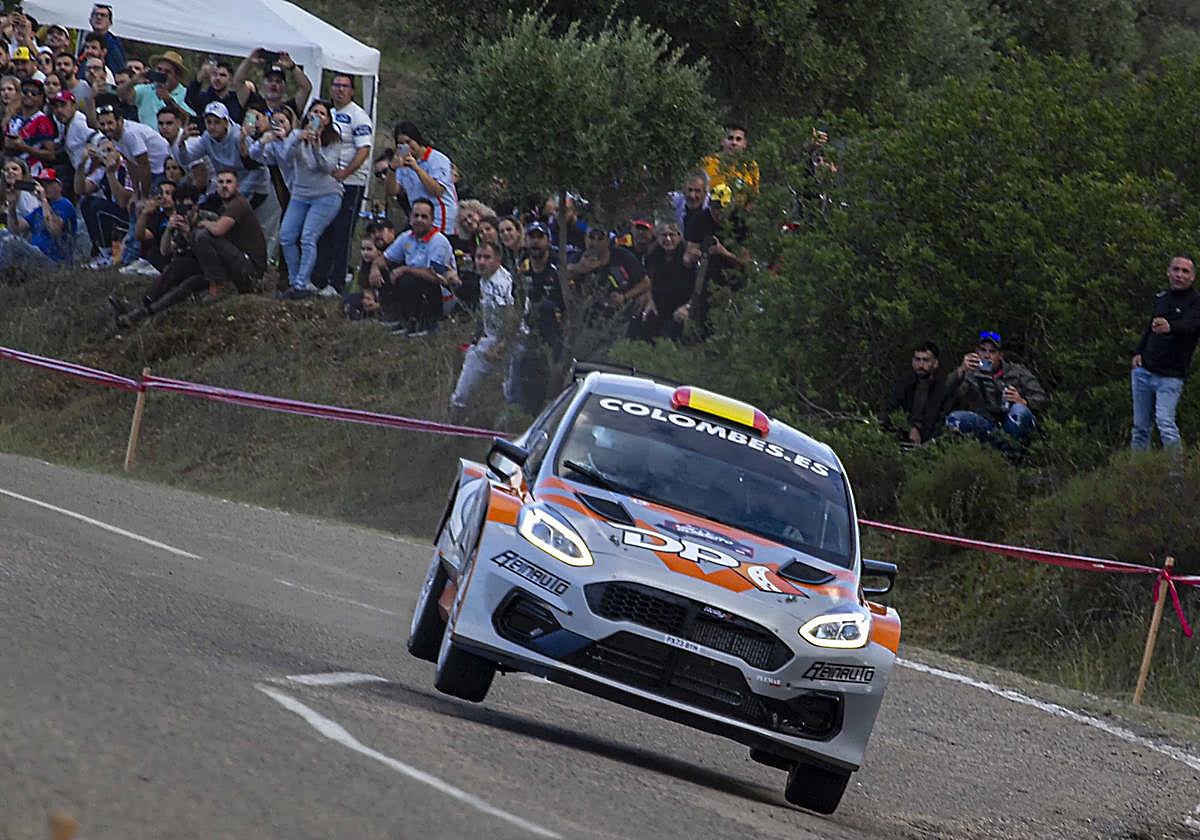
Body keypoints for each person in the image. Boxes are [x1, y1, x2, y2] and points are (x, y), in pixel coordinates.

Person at [115, 171, 265, 325]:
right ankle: (141, 311)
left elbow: (219, 239)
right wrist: (169, 229)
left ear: (196, 205)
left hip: (237, 268)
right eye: (180, 207)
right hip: (214, 268)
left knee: (200, 236)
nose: (185, 211)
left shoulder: (212, 216)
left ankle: (219, 285)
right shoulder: (185, 220)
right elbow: (165, 251)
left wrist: (191, 232)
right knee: (181, 270)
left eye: (188, 207)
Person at [265, 101, 344, 299]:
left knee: (308, 236)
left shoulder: (333, 140)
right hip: (300, 194)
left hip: (326, 195)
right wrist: (297, 139)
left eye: (322, 113)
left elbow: (327, 167)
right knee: (286, 236)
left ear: (327, 120)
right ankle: (294, 281)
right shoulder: (296, 134)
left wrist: (317, 147)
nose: (317, 116)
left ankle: (302, 283)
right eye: (314, 112)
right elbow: (284, 155)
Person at [1130, 255, 1200, 450]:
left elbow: (1191, 326)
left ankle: (1175, 476)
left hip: (1171, 375)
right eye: (1176, 270)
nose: (1179, 275)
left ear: (1192, 277)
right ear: (1168, 272)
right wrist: (1138, 352)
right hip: (1145, 370)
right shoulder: (1162, 297)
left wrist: (1171, 327)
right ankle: (1136, 474)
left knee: (1166, 424)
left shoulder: (1195, 302)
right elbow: (1149, 327)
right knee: (1140, 428)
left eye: (1185, 271)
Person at [311, 73, 372, 291]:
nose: (340, 90)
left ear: (352, 91)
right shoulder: (328, 113)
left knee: (342, 232)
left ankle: (337, 283)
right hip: (327, 182)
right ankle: (318, 279)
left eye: (345, 86)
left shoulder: (359, 116)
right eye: (336, 85)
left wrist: (346, 172)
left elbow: (364, 149)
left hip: (351, 183)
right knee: (324, 230)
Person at [944, 330, 1048, 445]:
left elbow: (1042, 398)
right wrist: (961, 370)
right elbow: (948, 393)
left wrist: (1023, 401)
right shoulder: (970, 374)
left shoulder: (1017, 372)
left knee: (1020, 411)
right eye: (983, 350)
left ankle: (1013, 455)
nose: (986, 355)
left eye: (992, 352)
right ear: (977, 352)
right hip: (987, 425)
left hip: (1012, 423)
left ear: (1000, 355)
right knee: (955, 418)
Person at [450, 240, 515, 410]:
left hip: (512, 341)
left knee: (511, 393)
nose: (481, 262)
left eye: (487, 258)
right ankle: (457, 414)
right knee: (472, 359)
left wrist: (501, 346)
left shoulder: (501, 283)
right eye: (479, 257)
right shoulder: (484, 280)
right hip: (491, 338)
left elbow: (512, 318)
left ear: (498, 260)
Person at [378, 197, 456, 336]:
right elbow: (385, 258)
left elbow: (436, 275)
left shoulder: (439, 241)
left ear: (432, 220)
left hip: (441, 293)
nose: (419, 220)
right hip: (415, 287)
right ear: (410, 218)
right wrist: (374, 270)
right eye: (416, 216)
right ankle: (398, 317)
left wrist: (404, 269)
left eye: (424, 216)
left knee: (409, 278)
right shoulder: (406, 237)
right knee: (386, 271)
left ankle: (428, 324)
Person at [384, 120, 457, 234]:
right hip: (419, 220)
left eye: (408, 142)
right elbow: (391, 191)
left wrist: (417, 169)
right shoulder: (402, 163)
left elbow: (437, 190)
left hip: (441, 219)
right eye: (401, 144)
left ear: (416, 139)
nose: (406, 146)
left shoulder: (437, 159)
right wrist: (392, 169)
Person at [94, 93, 170, 198]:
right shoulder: (114, 135)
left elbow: (144, 166)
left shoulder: (130, 134)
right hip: (151, 171)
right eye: (102, 124)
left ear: (119, 121)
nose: (106, 127)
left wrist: (144, 196)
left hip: (162, 170)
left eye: (110, 123)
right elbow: (131, 164)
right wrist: (136, 192)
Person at [75, 134, 134, 267]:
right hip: (113, 213)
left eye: (109, 150)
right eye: (103, 151)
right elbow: (80, 190)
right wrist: (82, 164)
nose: (106, 155)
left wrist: (111, 174)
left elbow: (122, 201)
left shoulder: (128, 168)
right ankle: (100, 249)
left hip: (129, 216)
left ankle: (106, 252)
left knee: (98, 206)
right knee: (86, 202)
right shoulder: (101, 170)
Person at [1, 167, 76, 267]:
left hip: (55, 261)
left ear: (59, 185)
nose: (44, 187)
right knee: (3, 233)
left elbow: (54, 229)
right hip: (36, 256)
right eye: (42, 184)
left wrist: (43, 199)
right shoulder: (39, 210)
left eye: (48, 183)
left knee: (10, 242)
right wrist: (11, 205)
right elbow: (15, 229)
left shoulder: (64, 204)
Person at [641, 221, 698, 341]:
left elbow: (699, 286)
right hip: (660, 304)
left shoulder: (687, 255)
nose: (667, 239)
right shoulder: (653, 254)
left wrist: (688, 307)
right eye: (663, 235)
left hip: (683, 305)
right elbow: (648, 281)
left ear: (679, 236)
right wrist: (650, 300)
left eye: (671, 235)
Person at [886, 341, 951, 445]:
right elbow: (893, 409)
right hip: (904, 434)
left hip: (933, 438)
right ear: (912, 361)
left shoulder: (942, 386)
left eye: (926, 360)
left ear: (935, 363)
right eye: (917, 360)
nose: (921, 365)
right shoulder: (904, 384)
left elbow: (941, 416)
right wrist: (910, 427)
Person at [119, 49, 193, 126]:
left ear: (177, 76)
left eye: (167, 72)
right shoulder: (145, 89)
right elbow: (122, 96)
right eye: (159, 69)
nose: (161, 73)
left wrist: (169, 102)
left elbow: (190, 121)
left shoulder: (186, 93)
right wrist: (133, 81)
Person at [700, 120, 760, 203]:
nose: (734, 142)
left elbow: (754, 196)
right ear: (722, 141)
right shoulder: (707, 162)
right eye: (730, 138)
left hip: (740, 213)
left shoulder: (751, 166)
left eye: (738, 139)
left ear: (744, 144)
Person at [5, 79, 56, 176]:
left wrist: (24, 147)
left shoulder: (42, 120)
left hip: (32, 171)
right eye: (25, 91)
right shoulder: (13, 119)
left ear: (41, 98)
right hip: (11, 169)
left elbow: (50, 154)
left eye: (34, 93)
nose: (29, 95)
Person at [185, 59, 248, 125]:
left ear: (231, 79)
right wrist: (200, 77)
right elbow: (189, 99)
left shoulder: (237, 101)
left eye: (222, 75)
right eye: (214, 74)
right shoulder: (204, 98)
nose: (217, 78)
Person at [86, 4, 126, 76]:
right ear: (90, 20)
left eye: (103, 15)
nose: (99, 17)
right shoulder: (86, 43)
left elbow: (118, 73)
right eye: (96, 14)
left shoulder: (113, 45)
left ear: (110, 23)